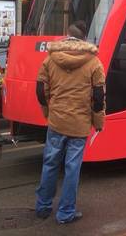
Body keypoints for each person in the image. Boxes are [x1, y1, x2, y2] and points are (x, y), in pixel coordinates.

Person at [34, 21, 105, 224]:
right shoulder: (94, 62)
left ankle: (43, 206)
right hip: (79, 123)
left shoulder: (50, 60)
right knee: (72, 167)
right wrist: (98, 121)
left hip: (57, 121)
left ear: (67, 36)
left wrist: (49, 112)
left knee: (50, 163)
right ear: (84, 39)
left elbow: (40, 91)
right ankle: (65, 213)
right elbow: (99, 97)